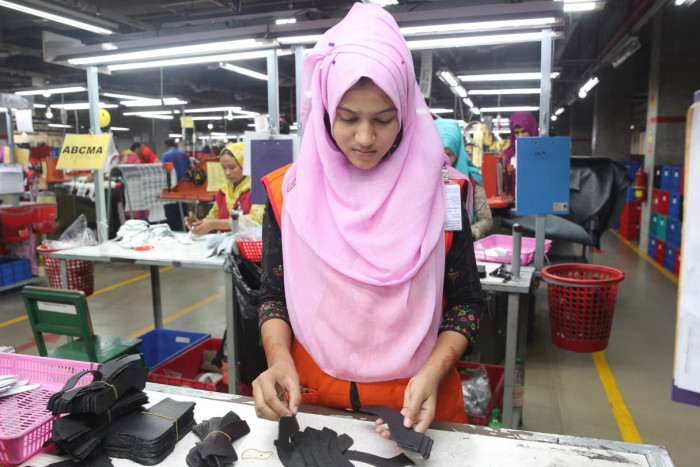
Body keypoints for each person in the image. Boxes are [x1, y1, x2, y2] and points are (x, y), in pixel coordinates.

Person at [253, 3, 483, 435]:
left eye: (383, 119)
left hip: (417, 404)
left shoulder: (444, 191)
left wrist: (433, 372)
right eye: (347, 117)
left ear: (406, 111)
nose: (364, 138)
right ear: (324, 111)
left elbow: (467, 304)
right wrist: (278, 360)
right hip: (311, 400)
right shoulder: (290, 194)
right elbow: (272, 296)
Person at [184, 142, 263, 234]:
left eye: (231, 167)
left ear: (245, 165)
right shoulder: (224, 191)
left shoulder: (258, 189)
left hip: (249, 245)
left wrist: (214, 224)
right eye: (224, 168)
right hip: (226, 244)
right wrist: (199, 224)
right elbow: (213, 217)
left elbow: (256, 221)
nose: (227, 173)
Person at [435, 119, 493, 240]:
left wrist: (469, 232)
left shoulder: (471, 179)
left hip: (462, 247)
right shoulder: (422, 179)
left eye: (449, 154)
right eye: (440, 153)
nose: (445, 160)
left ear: (458, 151)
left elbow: (486, 220)